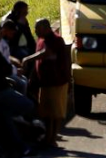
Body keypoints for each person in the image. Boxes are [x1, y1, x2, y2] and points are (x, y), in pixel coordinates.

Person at [0, 25, 39, 156]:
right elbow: (6, 69)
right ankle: (17, 118)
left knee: (7, 122)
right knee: (29, 105)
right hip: (0, 91)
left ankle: (22, 149)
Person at [23, 18, 70, 147]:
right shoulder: (41, 40)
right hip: (45, 82)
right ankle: (47, 138)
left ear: (46, 28)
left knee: (55, 113)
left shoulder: (56, 40)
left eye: (37, 29)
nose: (35, 31)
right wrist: (33, 78)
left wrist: (27, 59)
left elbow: (46, 53)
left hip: (57, 82)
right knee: (46, 113)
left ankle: (52, 139)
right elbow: (39, 62)